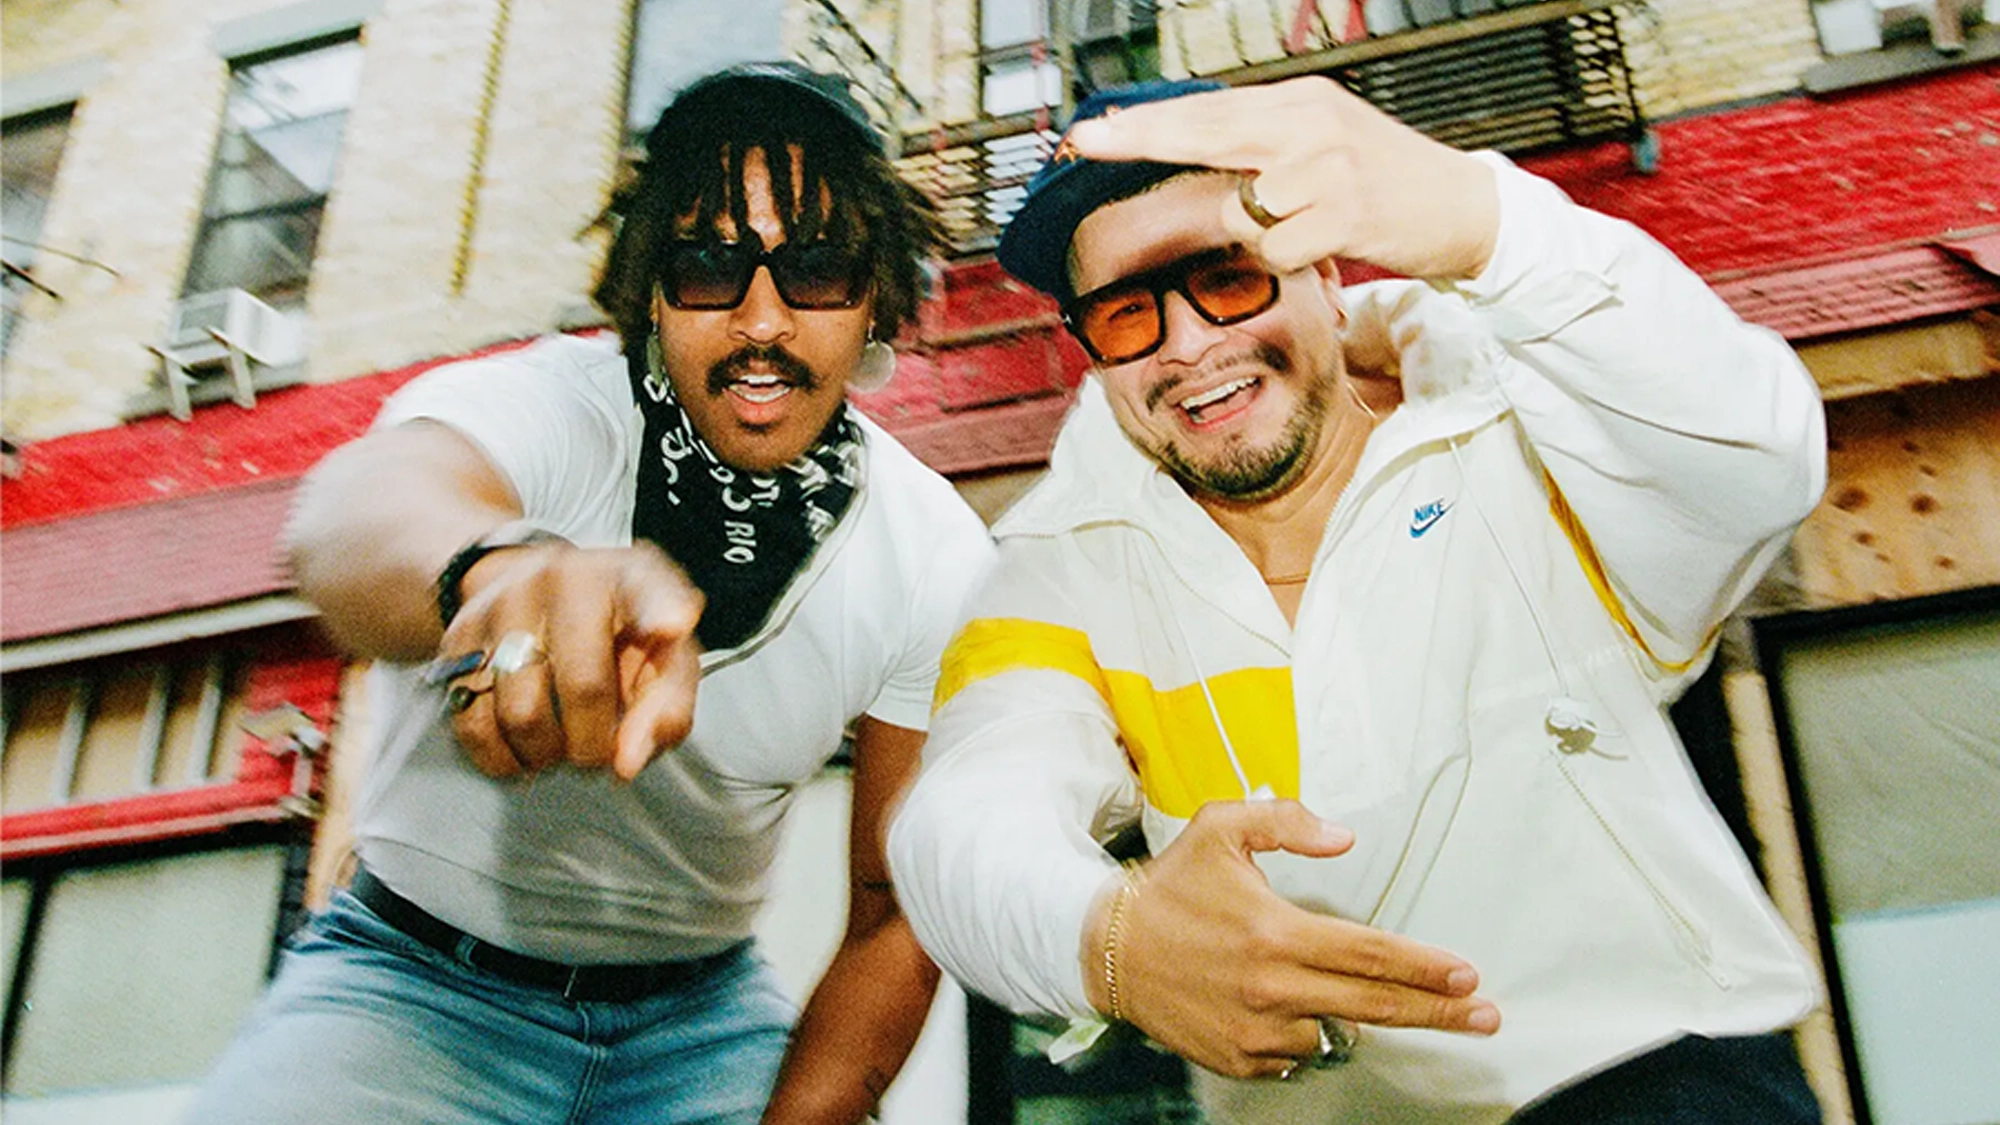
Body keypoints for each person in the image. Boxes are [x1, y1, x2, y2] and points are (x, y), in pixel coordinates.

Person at [887, 76, 1828, 1124]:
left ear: (1323, 279)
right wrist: (1111, 942)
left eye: (1226, 279)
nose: (1188, 344)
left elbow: (1755, 467)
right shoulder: (1057, 567)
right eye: (1123, 312)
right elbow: (962, 821)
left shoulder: (1526, 440)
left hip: (1649, 1073)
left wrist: (1489, 224)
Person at [187, 62, 992, 1125]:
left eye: (816, 266)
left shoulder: (931, 550)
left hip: (699, 1019)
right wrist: (499, 570)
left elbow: (895, 914)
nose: (762, 322)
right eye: (709, 265)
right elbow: (354, 518)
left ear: (876, 294)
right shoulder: (546, 405)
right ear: (649, 289)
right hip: (409, 989)